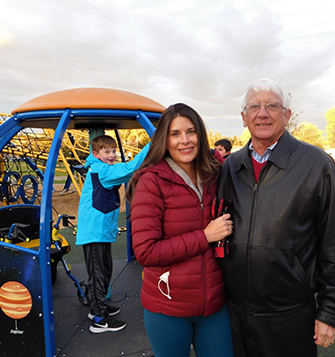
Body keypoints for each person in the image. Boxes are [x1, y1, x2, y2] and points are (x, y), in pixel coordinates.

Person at [216, 78, 335, 357]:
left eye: (272, 106)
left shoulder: (316, 164)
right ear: (244, 118)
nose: (262, 113)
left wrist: (330, 311)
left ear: (287, 115)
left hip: (289, 315)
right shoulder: (231, 166)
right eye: (254, 107)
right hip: (235, 314)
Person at [126, 103, 234, 357]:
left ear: (201, 135)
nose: (184, 141)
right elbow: (146, 252)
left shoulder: (213, 174)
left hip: (214, 304)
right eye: (175, 134)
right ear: (165, 138)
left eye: (191, 131)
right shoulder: (151, 181)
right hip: (168, 307)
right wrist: (205, 236)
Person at [76, 134, 150, 333]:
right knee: (98, 273)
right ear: (96, 154)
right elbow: (130, 168)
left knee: (104, 270)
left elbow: (126, 174)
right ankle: (99, 320)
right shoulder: (102, 170)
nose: (111, 155)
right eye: (106, 152)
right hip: (94, 232)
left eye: (113, 151)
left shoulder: (101, 168)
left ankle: (96, 307)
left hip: (100, 231)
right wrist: (153, 144)